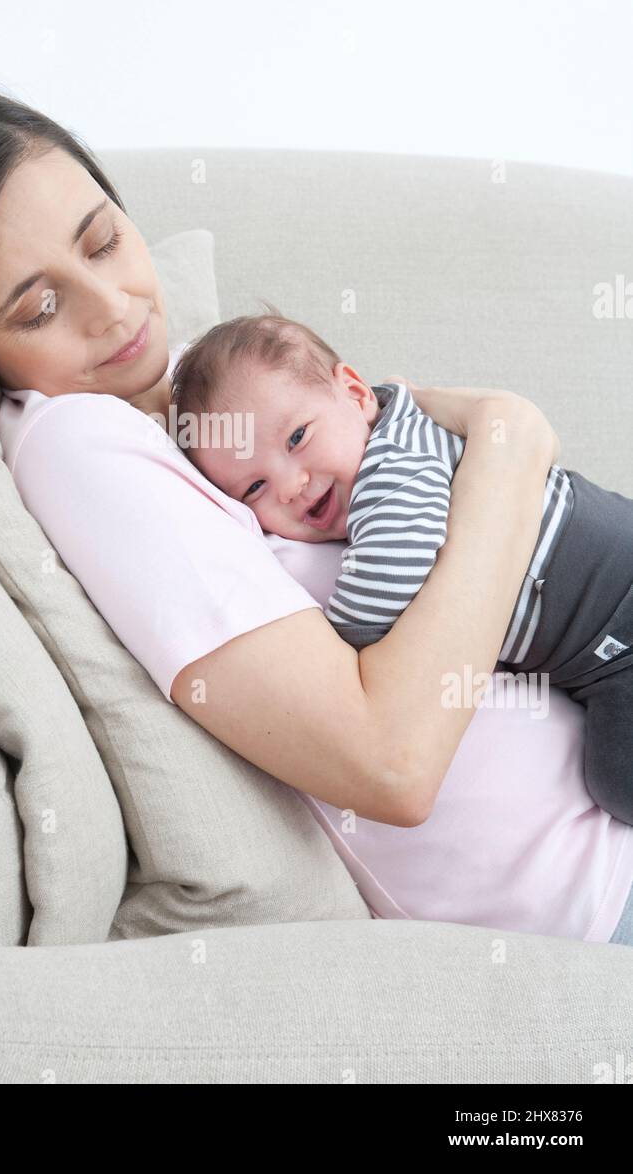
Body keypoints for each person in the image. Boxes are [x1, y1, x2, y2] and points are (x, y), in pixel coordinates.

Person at [0, 76, 633, 945]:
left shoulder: (202, 396)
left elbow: (400, 421)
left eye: (104, 244)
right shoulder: (76, 445)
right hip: (597, 898)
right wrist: (510, 439)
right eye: (41, 307)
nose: (116, 307)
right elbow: (392, 764)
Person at [169, 309, 633, 827]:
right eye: (253, 487)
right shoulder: (405, 435)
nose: (290, 485)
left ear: (356, 393)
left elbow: (389, 585)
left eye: (297, 437)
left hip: (617, 614)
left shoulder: (392, 465)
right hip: (602, 648)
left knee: (618, 779)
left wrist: (330, 646)